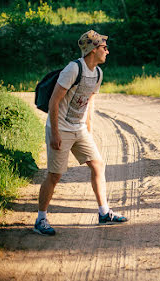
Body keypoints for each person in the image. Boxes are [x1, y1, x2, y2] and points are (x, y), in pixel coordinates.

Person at [33, 30, 128, 236]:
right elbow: (54, 102)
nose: (107, 51)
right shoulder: (73, 69)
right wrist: (56, 134)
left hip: (79, 129)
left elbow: (89, 103)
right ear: (93, 49)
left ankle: (104, 213)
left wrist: (88, 130)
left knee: (97, 164)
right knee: (55, 174)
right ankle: (40, 219)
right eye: (104, 47)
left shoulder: (98, 74)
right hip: (60, 128)